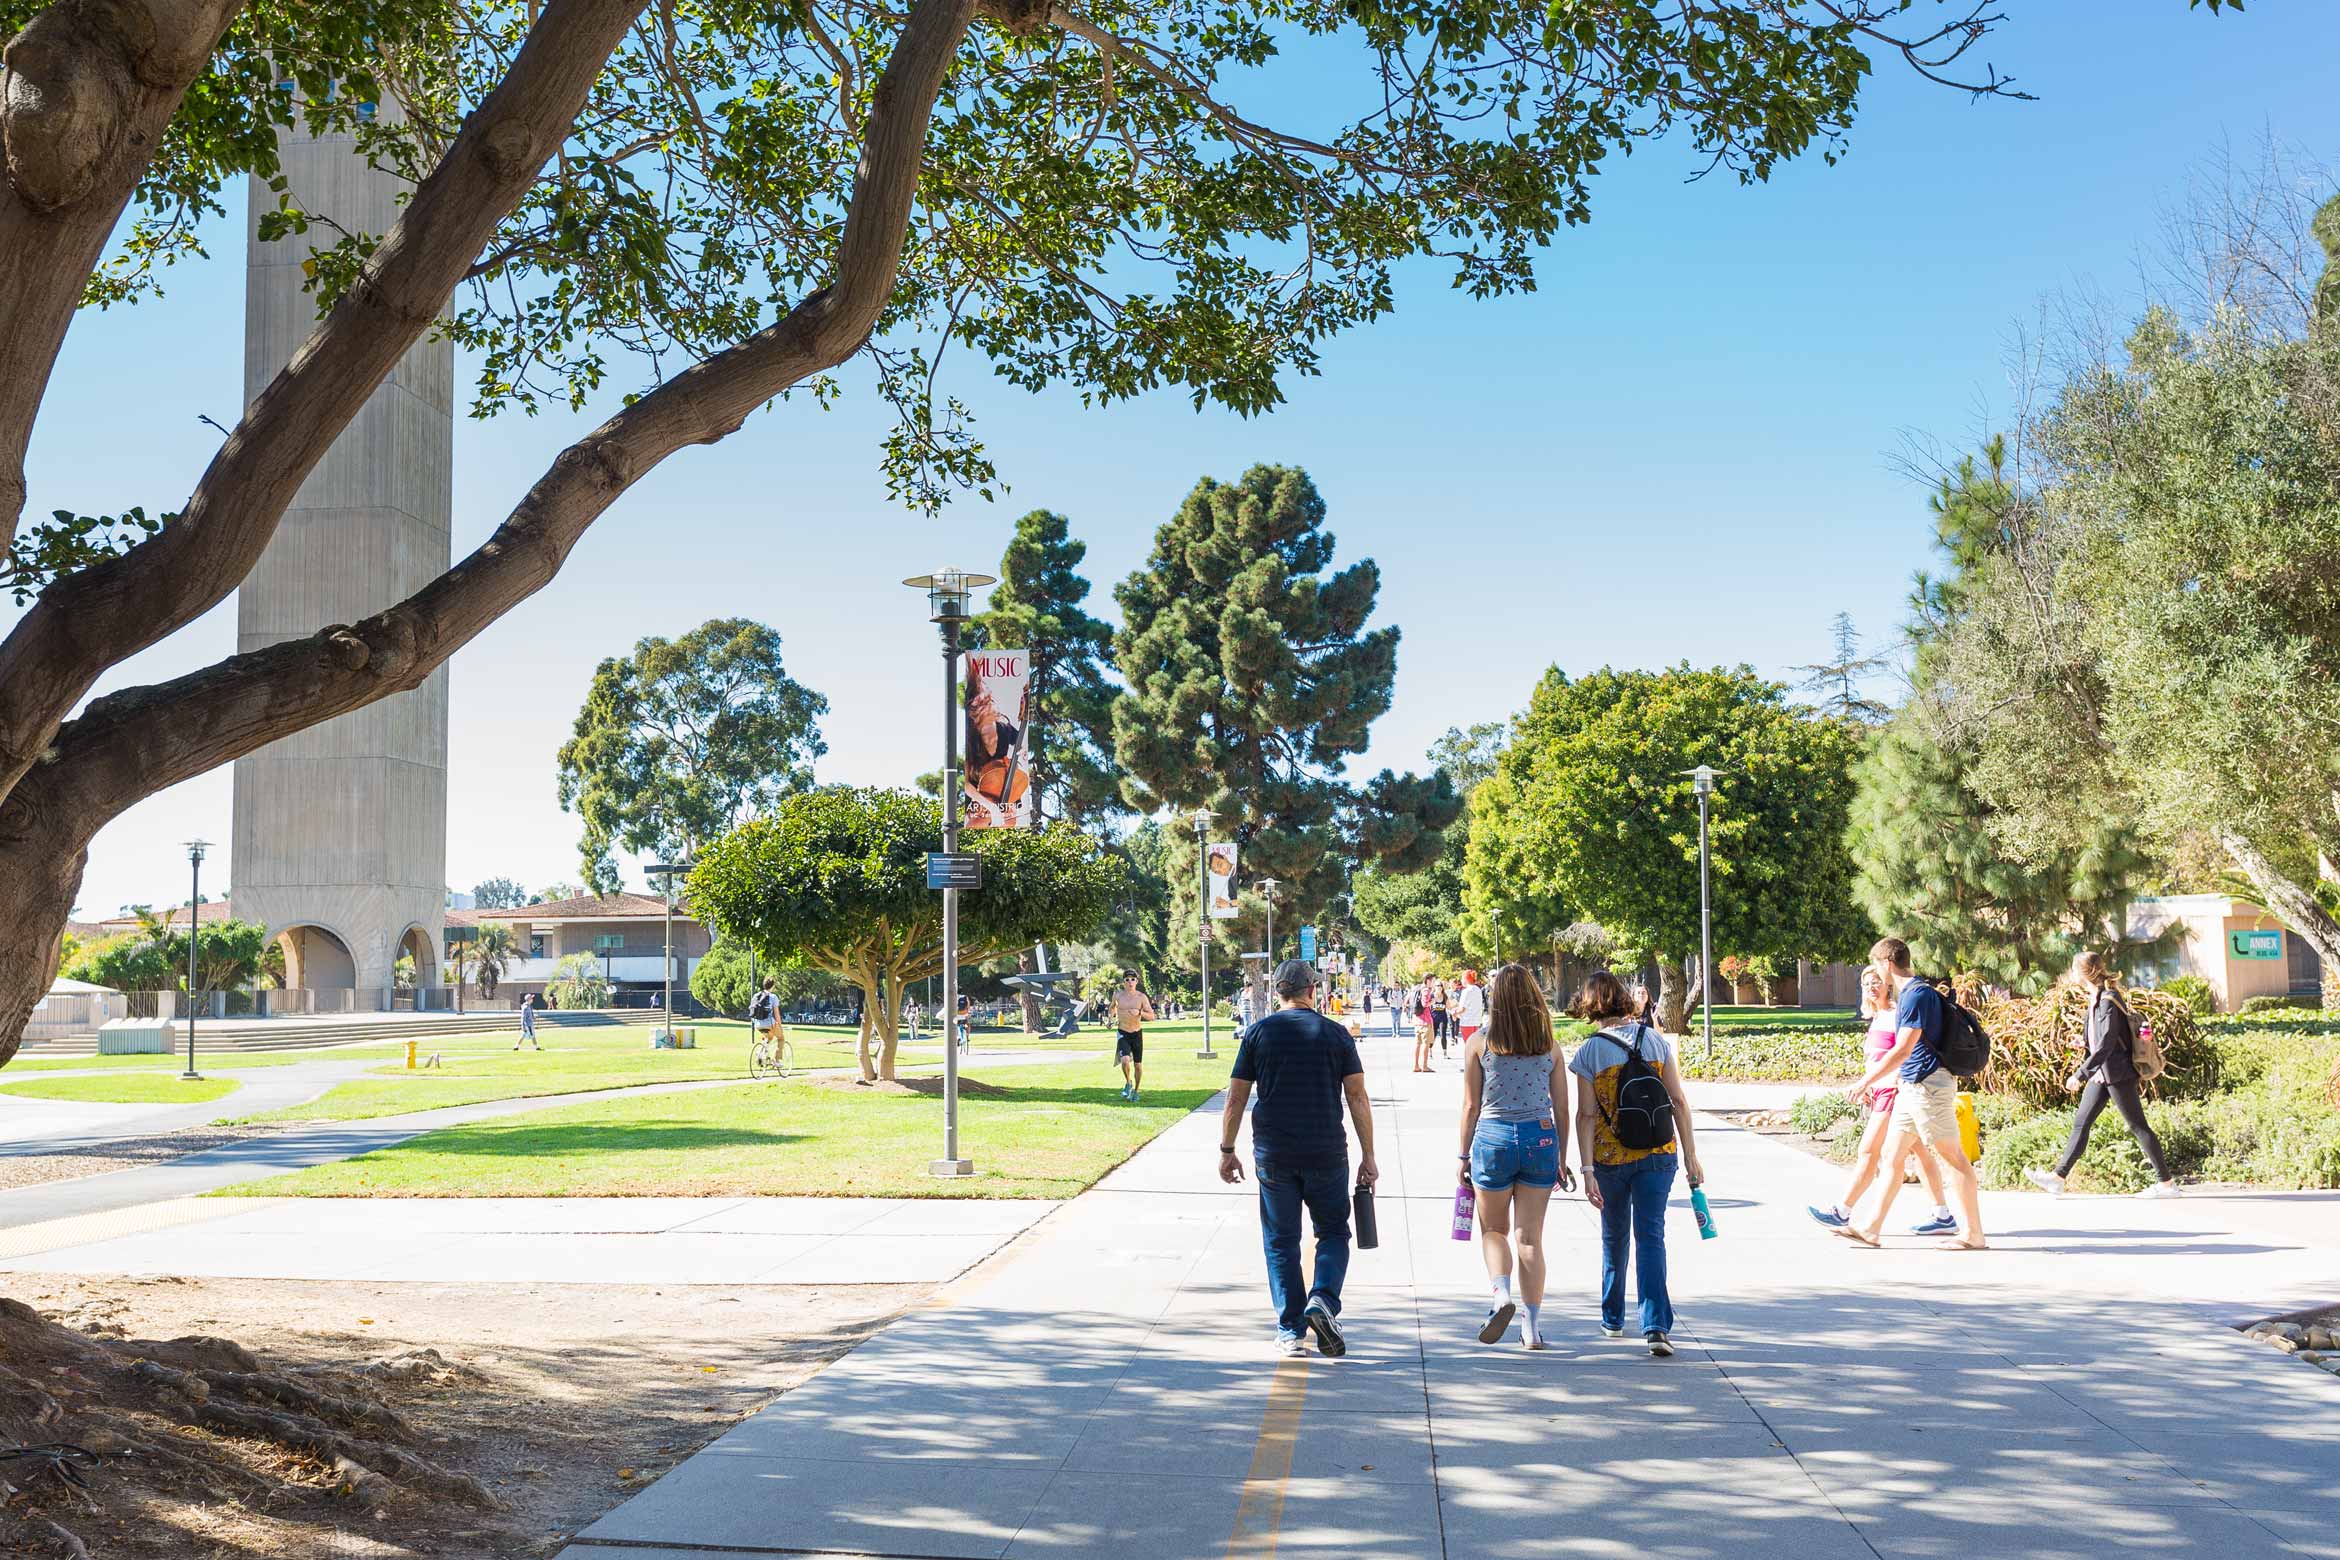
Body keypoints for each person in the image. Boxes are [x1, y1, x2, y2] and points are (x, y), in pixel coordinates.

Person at [1218, 960, 1379, 1359]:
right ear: (1312, 990)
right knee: (1333, 1232)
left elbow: (1236, 1096)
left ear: (1278, 993)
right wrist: (1369, 1155)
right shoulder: (1336, 1035)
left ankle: (1291, 1331)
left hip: (1274, 1153)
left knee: (1281, 1241)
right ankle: (1322, 1300)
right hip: (1326, 1150)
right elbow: (1357, 1097)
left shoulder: (1257, 1034)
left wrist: (1227, 1149)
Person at [1571, 969, 1702, 1357]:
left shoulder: (1588, 1052)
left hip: (1611, 1160)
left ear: (1591, 1003)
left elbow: (1586, 1116)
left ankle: (1613, 1318)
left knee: (1614, 1236)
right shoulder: (1656, 1041)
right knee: (1651, 1237)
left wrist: (1587, 1168)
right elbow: (1678, 1101)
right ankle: (1656, 1326)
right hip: (1659, 1155)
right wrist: (1692, 1155)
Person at [1834, 937, 1987, 1251]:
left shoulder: (1916, 995)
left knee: (1953, 1158)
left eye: (1877, 965)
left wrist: (1864, 1081)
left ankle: (1973, 1234)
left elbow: (1902, 1048)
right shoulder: (1912, 994)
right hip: (1911, 1087)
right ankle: (1871, 1228)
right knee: (1892, 1156)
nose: (1877, 973)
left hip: (1929, 1087)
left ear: (1887, 963)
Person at [1460, 965, 1573, 1349]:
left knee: (1494, 1230)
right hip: (1540, 1138)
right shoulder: (1550, 1047)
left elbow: (1471, 1106)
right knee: (1530, 1239)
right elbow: (1562, 1108)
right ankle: (1532, 1326)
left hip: (1492, 1139)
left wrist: (1463, 1156)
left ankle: (1500, 1295)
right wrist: (1562, 1156)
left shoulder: (1479, 1043)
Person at [1807, 965, 1955, 1235]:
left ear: (1888, 984)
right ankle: (1942, 1214)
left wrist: (1878, 1083)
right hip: (1882, 1092)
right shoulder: (1878, 1016)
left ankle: (1843, 1211)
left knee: (1869, 1151)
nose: (1871, 987)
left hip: (1895, 1093)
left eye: (1876, 981)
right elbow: (1875, 1059)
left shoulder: (1897, 1013)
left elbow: (1905, 1053)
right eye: (1866, 984)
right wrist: (1868, 1085)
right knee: (1919, 1154)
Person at [2029, 952, 2180, 1199]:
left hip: (2118, 1073)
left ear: (2085, 972)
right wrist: (2084, 1042)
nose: (2072, 973)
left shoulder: (2108, 999)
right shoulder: (2096, 998)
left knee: (2138, 1126)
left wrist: (2079, 1074)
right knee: (2081, 1123)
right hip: (2103, 1072)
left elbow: (2108, 1044)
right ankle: (2058, 1178)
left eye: (2074, 968)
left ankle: (2166, 1184)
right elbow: (2101, 1040)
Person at [1113, 972, 1157, 1102]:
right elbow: (1112, 1008)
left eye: (1133, 979)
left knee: (1138, 1065)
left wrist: (1139, 1012)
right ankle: (1128, 1082)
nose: (1130, 982)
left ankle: (1136, 1091)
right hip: (1123, 1032)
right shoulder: (1117, 996)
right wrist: (1110, 1018)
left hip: (1137, 1033)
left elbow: (1152, 1017)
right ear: (1124, 982)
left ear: (1136, 982)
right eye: (1127, 979)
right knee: (1125, 1060)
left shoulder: (1141, 997)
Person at [1454, 968, 1486, 1045]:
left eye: (1462, 978)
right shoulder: (1478, 989)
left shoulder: (1466, 991)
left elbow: (1462, 1009)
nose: (1461, 981)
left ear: (1466, 979)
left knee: (1468, 1046)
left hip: (1466, 1022)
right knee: (1474, 1045)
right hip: (1476, 1021)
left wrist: (1454, 1012)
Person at [1429, 977, 1451, 1057]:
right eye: (1437, 985)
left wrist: (1455, 1009)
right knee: (1433, 1036)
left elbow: (1449, 1007)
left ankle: (1445, 1053)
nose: (1439, 987)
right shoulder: (1431, 995)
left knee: (1443, 1035)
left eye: (1440, 985)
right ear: (1434, 987)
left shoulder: (1445, 996)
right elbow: (1426, 1006)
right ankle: (1430, 1051)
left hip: (1443, 1018)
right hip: (1433, 1018)